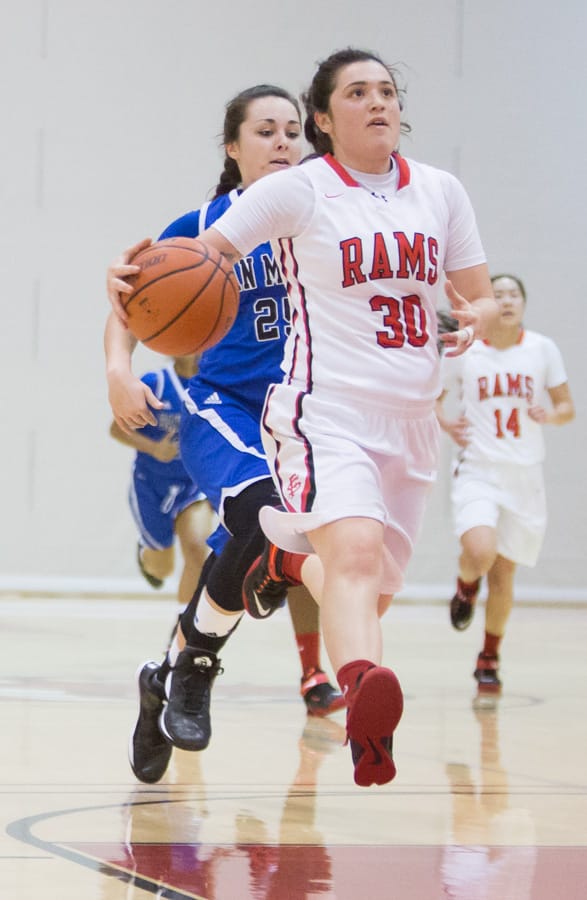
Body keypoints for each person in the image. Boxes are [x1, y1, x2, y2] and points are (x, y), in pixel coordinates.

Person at [107, 47, 499, 787]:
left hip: (401, 418)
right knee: (278, 531)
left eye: (388, 90)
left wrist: (467, 319)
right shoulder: (254, 209)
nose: (282, 141)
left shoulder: (437, 192)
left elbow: (474, 293)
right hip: (264, 407)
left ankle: (190, 654)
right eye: (267, 129)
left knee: (359, 584)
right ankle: (243, 666)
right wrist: (119, 346)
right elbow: (156, 283)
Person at [105, 84, 344, 784]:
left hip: (304, 414)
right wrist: (120, 369)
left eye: (292, 131)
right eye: (264, 131)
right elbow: (127, 297)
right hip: (224, 405)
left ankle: (161, 681)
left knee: (233, 566)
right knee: (258, 516)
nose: (281, 143)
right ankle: (201, 666)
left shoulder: (325, 219)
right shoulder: (203, 223)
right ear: (232, 147)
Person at [435, 273, 574, 694]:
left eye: (514, 294)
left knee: (504, 576)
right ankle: (464, 585)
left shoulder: (542, 349)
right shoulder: (466, 349)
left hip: (524, 474)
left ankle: (489, 656)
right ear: (487, 306)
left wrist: (549, 415)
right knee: (479, 551)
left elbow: (567, 406)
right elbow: (432, 399)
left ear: (524, 304)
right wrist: (446, 424)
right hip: (478, 468)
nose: (507, 301)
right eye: (498, 295)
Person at [109, 352, 214, 607]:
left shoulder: (212, 385)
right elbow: (116, 429)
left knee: (197, 549)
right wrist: (154, 448)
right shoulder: (155, 383)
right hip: (152, 483)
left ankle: (184, 634)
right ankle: (146, 554)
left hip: (192, 484)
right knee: (162, 570)